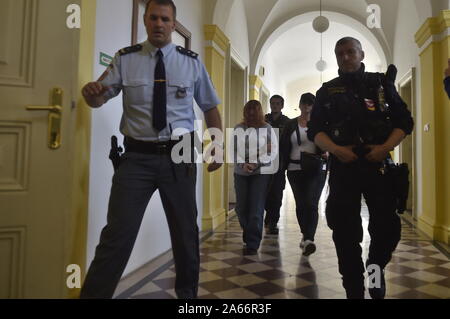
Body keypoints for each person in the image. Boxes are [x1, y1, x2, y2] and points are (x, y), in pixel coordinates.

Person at [80, 0, 222, 299]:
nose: (159, 24)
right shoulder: (124, 59)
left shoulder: (191, 61)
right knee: (117, 236)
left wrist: (218, 146)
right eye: (154, 18)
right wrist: (91, 94)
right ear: (145, 20)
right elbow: (98, 99)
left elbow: (209, 106)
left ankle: (188, 299)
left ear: (173, 23)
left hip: (180, 155)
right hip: (135, 158)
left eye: (165, 19)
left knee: (185, 235)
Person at [308, 37, 414, 299]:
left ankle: (375, 273)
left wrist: (384, 148)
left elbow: (404, 122)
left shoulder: (381, 83)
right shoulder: (326, 91)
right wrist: (335, 149)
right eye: (340, 53)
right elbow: (315, 131)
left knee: (387, 229)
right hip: (344, 168)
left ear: (361, 54)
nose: (345, 57)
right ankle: (353, 290)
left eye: (350, 52)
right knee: (345, 232)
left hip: (378, 167)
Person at [280, 93, 327, 256]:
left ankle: (309, 239)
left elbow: (328, 142)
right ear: (299, 105)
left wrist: (327, 151)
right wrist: (281, 167)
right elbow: (283, 145)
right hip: (294, 169)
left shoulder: (320, 124)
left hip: (316, 169)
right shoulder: (290, 124)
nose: (307, 107)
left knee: (311, 203)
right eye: (304, 103)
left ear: (314, 106)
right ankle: (305, 235)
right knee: (301, 205)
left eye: (310, 104)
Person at [233, 100, 275, 255]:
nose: (250, 114)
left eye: (254, 111)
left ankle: (252, 242)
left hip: (260, 173)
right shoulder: (239, 128)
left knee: (256, 208)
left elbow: (272, 153)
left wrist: (255, 163)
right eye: (248, 111)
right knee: (240, 208)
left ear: (260, 112)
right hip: (241, 172)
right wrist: (244, 164)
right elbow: (234, 151)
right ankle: (249, 231)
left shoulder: (267, 129)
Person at [264, 95, 290, 234]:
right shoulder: (264, 120)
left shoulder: (287, 122)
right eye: (272, 103)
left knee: (277, 192)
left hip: (280, 164)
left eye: (277, 103)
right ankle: (268, 216)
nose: (274, 106)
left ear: (282, 105)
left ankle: (273, 220)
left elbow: (289, 143)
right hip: (264, 163)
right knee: (265, 192)